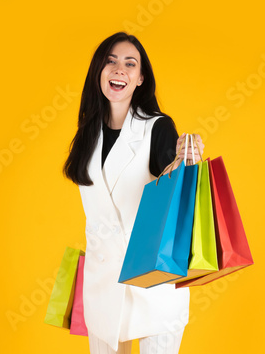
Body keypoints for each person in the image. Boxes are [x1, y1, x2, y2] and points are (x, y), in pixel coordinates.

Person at [63, 32, 204, 354]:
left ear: (141, 78)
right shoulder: (88, 132)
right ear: (98, 71)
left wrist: (185, 160)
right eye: (110, 61)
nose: (119, 70)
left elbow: (171, 184)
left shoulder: (157, 126)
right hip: (102, 280)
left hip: (153, 275)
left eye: (130, 63)